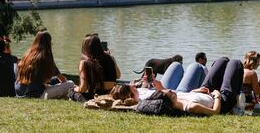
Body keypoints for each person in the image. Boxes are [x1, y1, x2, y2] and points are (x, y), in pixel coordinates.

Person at [112, 57, 244, 115]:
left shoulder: (172, 98)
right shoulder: (187, 106)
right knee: (235, 63)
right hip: (219, 99)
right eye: (132, 86)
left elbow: (181, 95)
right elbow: (215, 112)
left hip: (200, 92)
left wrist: (194, 91)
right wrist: (218, 97)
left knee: (222, 61)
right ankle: (238, 96)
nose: (169, 90)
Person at [15, 31, 74, 99]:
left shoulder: (28, 54)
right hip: (33, 95)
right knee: (70, 84)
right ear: (48, 43)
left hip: (19, 93)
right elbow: (62, 80)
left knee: (54, 80)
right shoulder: (45, 56)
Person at [71, 34, 120, 102]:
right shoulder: (110, 58)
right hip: (110, 93)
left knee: (71, 91)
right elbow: (118, 76)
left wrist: (75, 89)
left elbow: (83, 88)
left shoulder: (84, 62)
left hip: (94, 95)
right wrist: (112, 59)